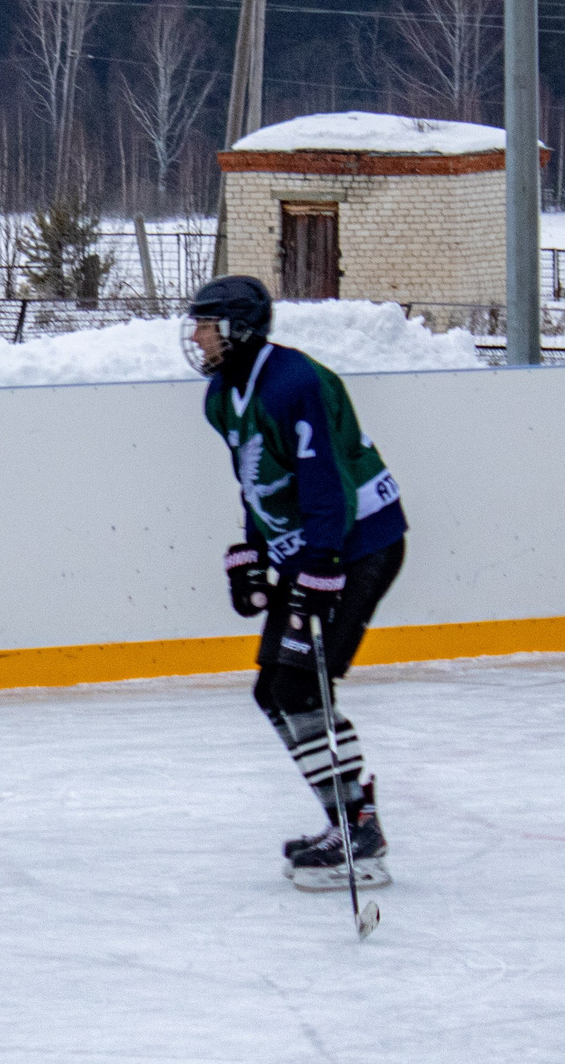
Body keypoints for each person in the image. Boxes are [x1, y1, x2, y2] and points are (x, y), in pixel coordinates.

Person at [188, 275, 408, 890]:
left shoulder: (296, 384)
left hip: (358, 547)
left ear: (238, 329)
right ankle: (348, 822)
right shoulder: (222, 395)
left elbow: (324, 483)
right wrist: (253, 553)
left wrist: (321, 567)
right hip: (317, 549)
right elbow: (259, 483)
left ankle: (360, 829)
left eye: (207, 324)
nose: (198, 336)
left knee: (302, 688)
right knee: (274, 692)